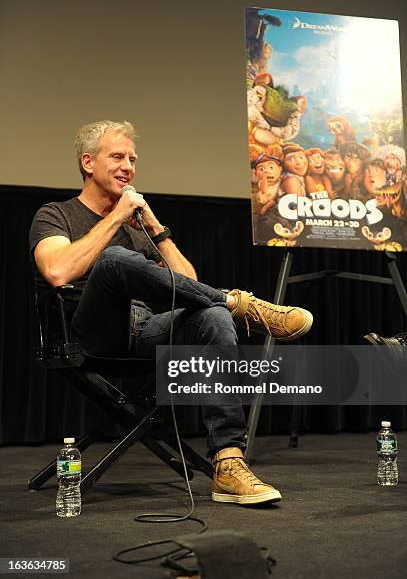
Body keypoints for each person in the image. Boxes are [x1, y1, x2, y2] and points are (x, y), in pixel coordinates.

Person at [29, 120, 313, 506]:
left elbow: (188, 286)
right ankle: (240, 304)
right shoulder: (55, 214)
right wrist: (115, 219)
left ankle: (229, 463)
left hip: (144, 329)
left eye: (132, 158)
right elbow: (57, 271)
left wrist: (155, 228)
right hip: (90, 334)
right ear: (88, 163)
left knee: (212, 316)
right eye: (117, 156)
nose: (128, 166)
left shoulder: (137, 228)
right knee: (114, 258)